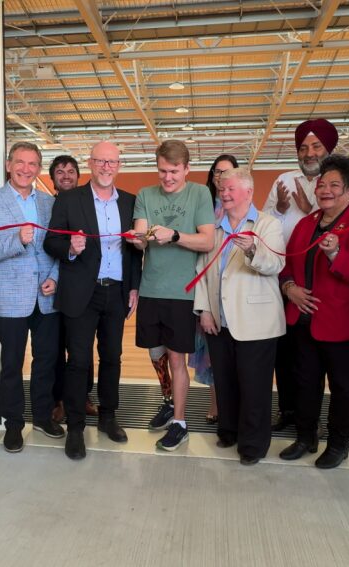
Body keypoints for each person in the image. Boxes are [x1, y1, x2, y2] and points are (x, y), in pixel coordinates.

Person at [278, 155, 349, 469]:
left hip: (345, 324)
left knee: (344, 388)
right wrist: (290, 288)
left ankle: (338, 445)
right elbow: (287, 264)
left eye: (334, 185)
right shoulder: (305, 224)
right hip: (304, 321)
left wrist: (335, 253)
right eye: (322, 184)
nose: (325, 190)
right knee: (305, 384)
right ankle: (305, 437)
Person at [44, 141, 142, 460]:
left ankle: (108, 417)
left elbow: (133, 251)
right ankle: (75, 427)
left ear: (119, 166)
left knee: (112, 357)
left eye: (111, 162)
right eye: (100, 161)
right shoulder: (69, 199)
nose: (105, 167)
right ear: (91, 163)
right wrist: (70, 249)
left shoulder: (130, 202)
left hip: (116, 291)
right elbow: (51, 242)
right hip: (81, 293)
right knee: (78, 362)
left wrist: (134, 287)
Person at [0, 142, 63, 453]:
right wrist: (16, 240)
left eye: (33, 164)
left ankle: (42, 417)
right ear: (9, 165)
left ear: (39, 168)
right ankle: (13, 424)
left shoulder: (50, 203)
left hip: (46, 296)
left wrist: (55, 277)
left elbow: (57, 248)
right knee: (11, 364)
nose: (26, 169)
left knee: (46, 361)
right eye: (20, 163)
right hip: (11, 296)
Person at [193, 168, 285, 465]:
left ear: (249, 191)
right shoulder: (214, 228)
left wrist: (253, 250)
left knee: (254, 387)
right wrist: (205, 310)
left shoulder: (268, 224)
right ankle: (229, 430)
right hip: (219, 320)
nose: (224, 193)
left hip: (257, 322)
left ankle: (253, 445)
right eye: (222, 189)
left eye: (230, 188)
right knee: (225, 381)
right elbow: (201, 270)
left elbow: (276, 264)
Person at [130, 140, 215, 451]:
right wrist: (138, 239)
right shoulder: (145, 194)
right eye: (162, 171)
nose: (167, 177)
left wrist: (175, 235)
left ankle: (180, 422)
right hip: (151, 289)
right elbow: (141, 237)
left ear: (187, 169)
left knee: (177, 358)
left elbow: (208, 241)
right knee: (156, 354)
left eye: (174, 171)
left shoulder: (200, 194)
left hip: (182, 292)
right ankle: (168, 402)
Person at [263, 118, 339, 432]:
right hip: (283, 278)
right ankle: (288, 410)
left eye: (316, 146)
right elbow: (265, 224)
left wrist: (311, 210)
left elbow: (348, 223)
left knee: (315, 356)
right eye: (304, 147)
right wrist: (280, 207)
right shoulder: (284, 179)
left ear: (328, 148)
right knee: (284, 350)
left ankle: (312, 417)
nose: (309, 153)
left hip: (320, 281)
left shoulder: (337, 181)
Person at [46, 155, 97, 422]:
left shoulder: (89, 206)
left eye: (70, 171)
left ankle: (83, 396)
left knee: (82, 349)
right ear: (52, 178)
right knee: (56, 350)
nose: (66, 176)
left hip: (82, 291)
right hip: (52, 291)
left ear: (78, 175)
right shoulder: (47, 206)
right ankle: (60, 400)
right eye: (59, 172)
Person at [193, 153, 241, 423]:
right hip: (207, 286)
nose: (221, 177)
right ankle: (216, 403)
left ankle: (236, 405)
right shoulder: (203, 206)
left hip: (235, 288)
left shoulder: (243, 207)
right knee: (212, 352)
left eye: (227, 171)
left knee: (236, 353)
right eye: (217, 172)